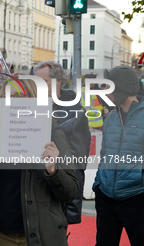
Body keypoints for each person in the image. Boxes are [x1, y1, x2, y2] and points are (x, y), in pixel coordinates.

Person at [0, 78, 78, 246]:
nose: (11, 102)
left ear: (33, 99)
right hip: (0, 233)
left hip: (38, 234)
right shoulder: (1, 131)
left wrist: (53, 171)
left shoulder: (52, 134)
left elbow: (71, 192)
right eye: (7, 97)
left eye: (17, 96)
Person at [93, 66, 144, 246]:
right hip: (106, 198)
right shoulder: (111, 117)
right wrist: (98, 185)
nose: (104, 91)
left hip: (136, 198)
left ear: (119, 88)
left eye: (108, 86)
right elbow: (104, 155)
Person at [35, 61, 90, 224]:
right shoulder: (31, 106)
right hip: (35, 186)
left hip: (59, 186)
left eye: (43, 82)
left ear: (58, 81)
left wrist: (72, 202)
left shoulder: (75, 112)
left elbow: (78, 157)